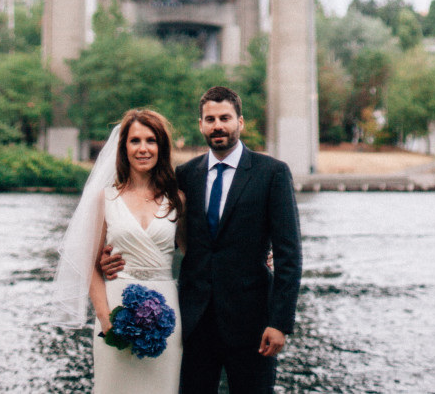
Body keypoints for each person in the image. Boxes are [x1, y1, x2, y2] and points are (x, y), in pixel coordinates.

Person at [102, 85, 302, 394]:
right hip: (193, 323)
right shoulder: (184, 176)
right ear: (201, 125)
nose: (218, 126)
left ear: (240, 122)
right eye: (210, 119)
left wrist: (280, 322)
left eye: (225, 118)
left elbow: (289, 254)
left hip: (253, 324)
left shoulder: (272, 173)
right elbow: (162, 233)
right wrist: (109, 256)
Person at [51, 108, 184, 394]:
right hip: (117, 309)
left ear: (161, 146)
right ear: (124, 147)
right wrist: (106, 318)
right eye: (135, 141)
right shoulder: (106, 198)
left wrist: (261, 254)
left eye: (151, 140)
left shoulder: (178, 198)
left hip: (167, 311)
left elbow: (198, 251)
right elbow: (88, 263)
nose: (143, 148)